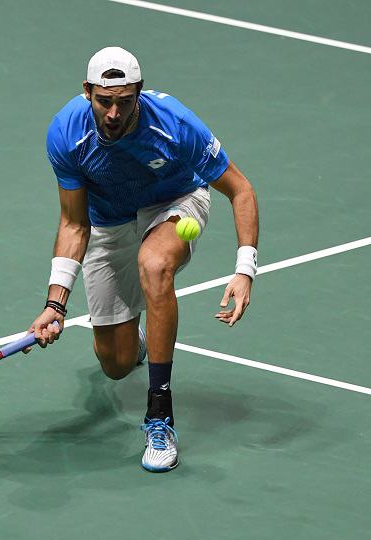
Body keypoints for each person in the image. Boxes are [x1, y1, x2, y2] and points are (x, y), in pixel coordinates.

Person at [27, 46, 259, 472]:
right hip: (109, 221)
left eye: (124, 101)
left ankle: (160, 416)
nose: (114, 113)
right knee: (114, 366)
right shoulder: (66, 134)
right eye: (104, 101)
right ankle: (134, 346)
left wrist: (245, 269)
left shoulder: (175, 125)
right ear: (87, 92)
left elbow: (240, 190)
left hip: (175, 202)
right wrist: (55, 303)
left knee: (154, 265)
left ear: (139, 93)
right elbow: (74, 225)